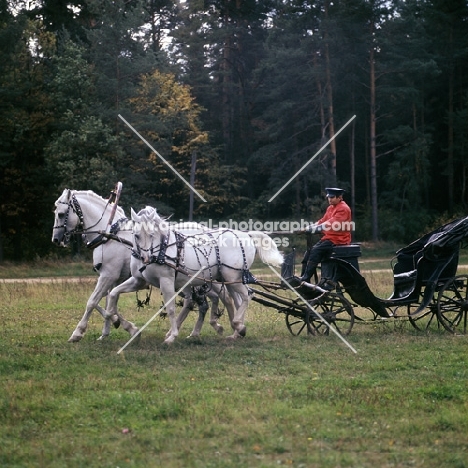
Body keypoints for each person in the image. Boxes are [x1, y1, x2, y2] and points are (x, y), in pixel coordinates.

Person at [299, 187, 352, 283]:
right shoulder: (330, 208)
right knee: (309, 252)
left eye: (332, 197)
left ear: (339, 197)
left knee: (315, 251)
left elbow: (329, 224)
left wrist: (311, 229)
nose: (329, 199)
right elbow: (322, 221)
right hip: (329, 238)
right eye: (329, 197)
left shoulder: (343, 209)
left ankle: (306, 278)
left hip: (338, 239)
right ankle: (302, 277)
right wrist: (306, 228)